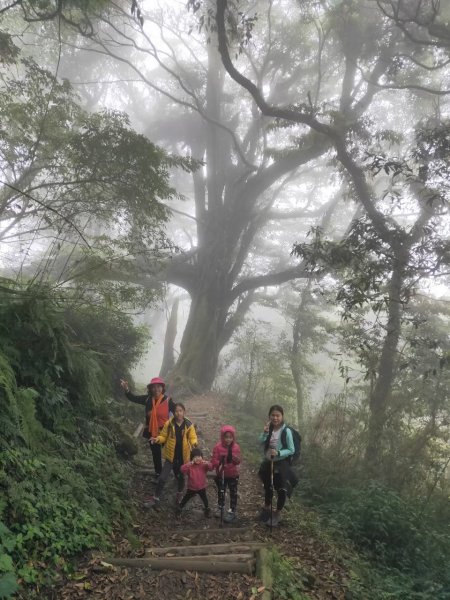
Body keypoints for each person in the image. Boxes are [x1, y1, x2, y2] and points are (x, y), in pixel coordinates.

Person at [119, 376, 175, 479]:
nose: (156, 389)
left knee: (171, 452)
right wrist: (126, 388)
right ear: (150, 389)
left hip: (165, 432)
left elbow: (178, 413)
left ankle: (176, 472)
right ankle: (159, 474)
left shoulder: (168, 401)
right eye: (154, 387)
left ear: (162, 388)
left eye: (159, 386)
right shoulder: (148, 399)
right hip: (152, 432)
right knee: (156, 454)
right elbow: (133, 398)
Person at [145, 403, 197, 509]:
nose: (178, 413)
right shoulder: (169, 423)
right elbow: (163, 436)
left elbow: (192, 437)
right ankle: (155, 498)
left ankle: (179, 496)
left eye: (180, 411)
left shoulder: (188, 424)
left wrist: (194, 443)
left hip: (183, 458)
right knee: (162, 478)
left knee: (181, 477)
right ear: (174, 412)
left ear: (184, 412)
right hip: (170, 457)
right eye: (176, 411)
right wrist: (157, 439)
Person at [258, 404, 295, 527]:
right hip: (269, 461)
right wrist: (264, 433)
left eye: (277, 415)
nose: (275, 418)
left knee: (281, 489)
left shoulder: (286, 431)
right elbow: (261, 442)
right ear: (269, 416)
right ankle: (267, 508)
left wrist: (279, 452)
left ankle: (277, 513)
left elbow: (291, 449)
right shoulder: (269, 428)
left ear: (282, 416)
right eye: (273, 415)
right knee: (268, 486)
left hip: (281, 463)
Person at [211, 425, 240, 523]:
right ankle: (220, 507)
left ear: (233, 438)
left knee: (233, 493)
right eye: (226, 437)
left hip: (233, 475)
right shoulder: (217, 447)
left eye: (230, 437)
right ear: (222, 437)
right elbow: (214, 460)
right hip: (221, 474)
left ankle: (232, 510)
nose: (228, 439)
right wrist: (219, 463)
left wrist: (236, 460)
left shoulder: (236, 447)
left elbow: (238, 461)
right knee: (221, 491)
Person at [177, 448, 212, 517]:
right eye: (195, 457)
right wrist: (190, 463)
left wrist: (207, 463)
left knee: (205, 499)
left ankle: (207, 510)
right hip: (191, 488)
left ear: (202, 457)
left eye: (199, 457)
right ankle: (179, 508)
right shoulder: (190, 466)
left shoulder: (204, 465)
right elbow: (182, 469)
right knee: (186, 498)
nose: (197, 459)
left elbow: (211, 468)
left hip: (202, 487)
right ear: (192, 458)